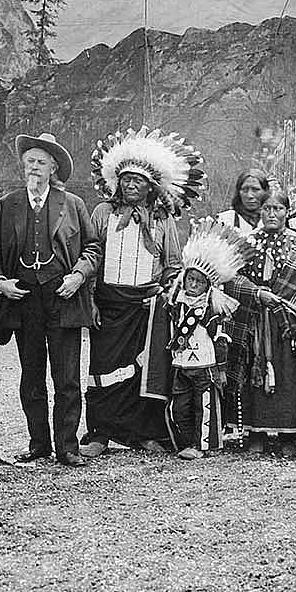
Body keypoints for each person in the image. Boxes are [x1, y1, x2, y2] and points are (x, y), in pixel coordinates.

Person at [80, 127, 202, 459]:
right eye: (126, 180)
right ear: (116, 182)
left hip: (148, 305)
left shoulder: (162, 219)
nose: (131, 185)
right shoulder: (103, 213)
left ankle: (145, 433)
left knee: (147, 372)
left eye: (139, 181)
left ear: (151, 186)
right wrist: (90, 300)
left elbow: (173, 263)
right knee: (103, 370)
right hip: (108, 302)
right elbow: (92, 254)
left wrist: (168, 295)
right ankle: (100, 433)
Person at [0, 132, 101, 468]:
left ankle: (67, 446)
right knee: (31, 376)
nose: (33, 168)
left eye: (40, 162)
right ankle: (39, 445)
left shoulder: (74, 204)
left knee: (66, 378)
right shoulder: (7, 205)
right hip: (23, 297)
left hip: (63, 295)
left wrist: (78, 275)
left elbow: (93, 249)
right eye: (29, 162)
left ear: (53, 168)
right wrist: (1, 282)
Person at [224, 189, 296, 456]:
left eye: (278, 209)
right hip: (255, 317)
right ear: (260, 211)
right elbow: (231, 278)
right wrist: (256, 293)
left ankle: (288, 436)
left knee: (288, 374)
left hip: (287, 321)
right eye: (267, 208)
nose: (272, 213)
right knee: (254, 375)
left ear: (287, 212)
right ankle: (255, 433)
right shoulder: (248, 242)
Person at [166, 219, 250, 458]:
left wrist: (221, 370)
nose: (193, 285)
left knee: (204, 406)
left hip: (205, 367)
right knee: (180, 406)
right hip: (181, 365)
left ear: (208, 286)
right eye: (190, 279)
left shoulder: (211, 310)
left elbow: (221, 340)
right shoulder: (176, 304)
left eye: (199, 282)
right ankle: (184, 441)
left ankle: (202, 445)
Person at [216, 168, 272, 433]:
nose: (250, 195)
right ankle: (229, 423)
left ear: (265, 192)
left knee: (260, 358)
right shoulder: (226, 220)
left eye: (256, 189)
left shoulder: (273, 218)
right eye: (245, 189)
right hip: (233, 301)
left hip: (265, 303)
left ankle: (258, 423)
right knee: (232, 357)